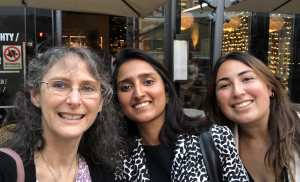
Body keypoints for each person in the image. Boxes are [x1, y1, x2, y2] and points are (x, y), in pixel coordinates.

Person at [112, 48, 250, 181]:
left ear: (166, 88)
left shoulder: (215, 138)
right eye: (126, 87)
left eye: (148, 82)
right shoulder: (114, 156)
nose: (138, 93)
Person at [0, 46, 122, 181]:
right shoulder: (6, 170)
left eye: (87, 88)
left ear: (101, 103)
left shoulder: (106, 173)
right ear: (35, 95)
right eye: (59, 85)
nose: (74, 100)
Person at [204, 51, 300, 182]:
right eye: (225, 85)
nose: (238, 92)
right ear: (217, 100)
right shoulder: (210, 145)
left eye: (247, 79)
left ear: (269, 87)